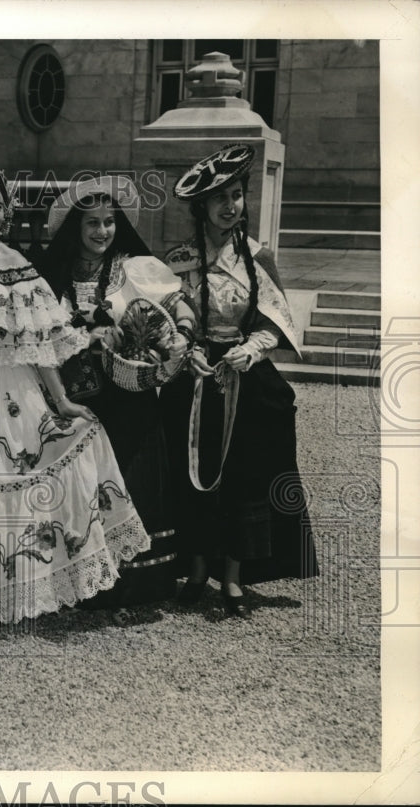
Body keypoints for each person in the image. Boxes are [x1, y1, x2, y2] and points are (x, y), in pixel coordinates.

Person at [0, 165, 150, 627]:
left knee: (19, 469)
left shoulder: (16, 266)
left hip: (11, 388)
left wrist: (61, 401)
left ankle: (17, 590)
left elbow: (42, 343)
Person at [160, 143, 318, 618]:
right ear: (201, 207)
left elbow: (275, 319)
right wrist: (185, 353)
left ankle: (232, 576)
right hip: (198, 373)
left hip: (243, 372)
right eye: (219, 198)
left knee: (245, 475)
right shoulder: (180, 259)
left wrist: (251, 349)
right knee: (195, 472)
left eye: (236, 195)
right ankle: (195, 569)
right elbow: (169, 317)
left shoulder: (256, 256)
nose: (230, 206)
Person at [40, 175, 192, 609]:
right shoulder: (55, 276)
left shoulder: (134, 267)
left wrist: (180, 334)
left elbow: (177, 302)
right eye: (92, 223)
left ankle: (140, 584)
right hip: (80, 396)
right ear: (75, 227)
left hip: (130, 394)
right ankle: (89, 584)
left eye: (109, 221)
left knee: (133, 476)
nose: (102, 231)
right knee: (87, 484)